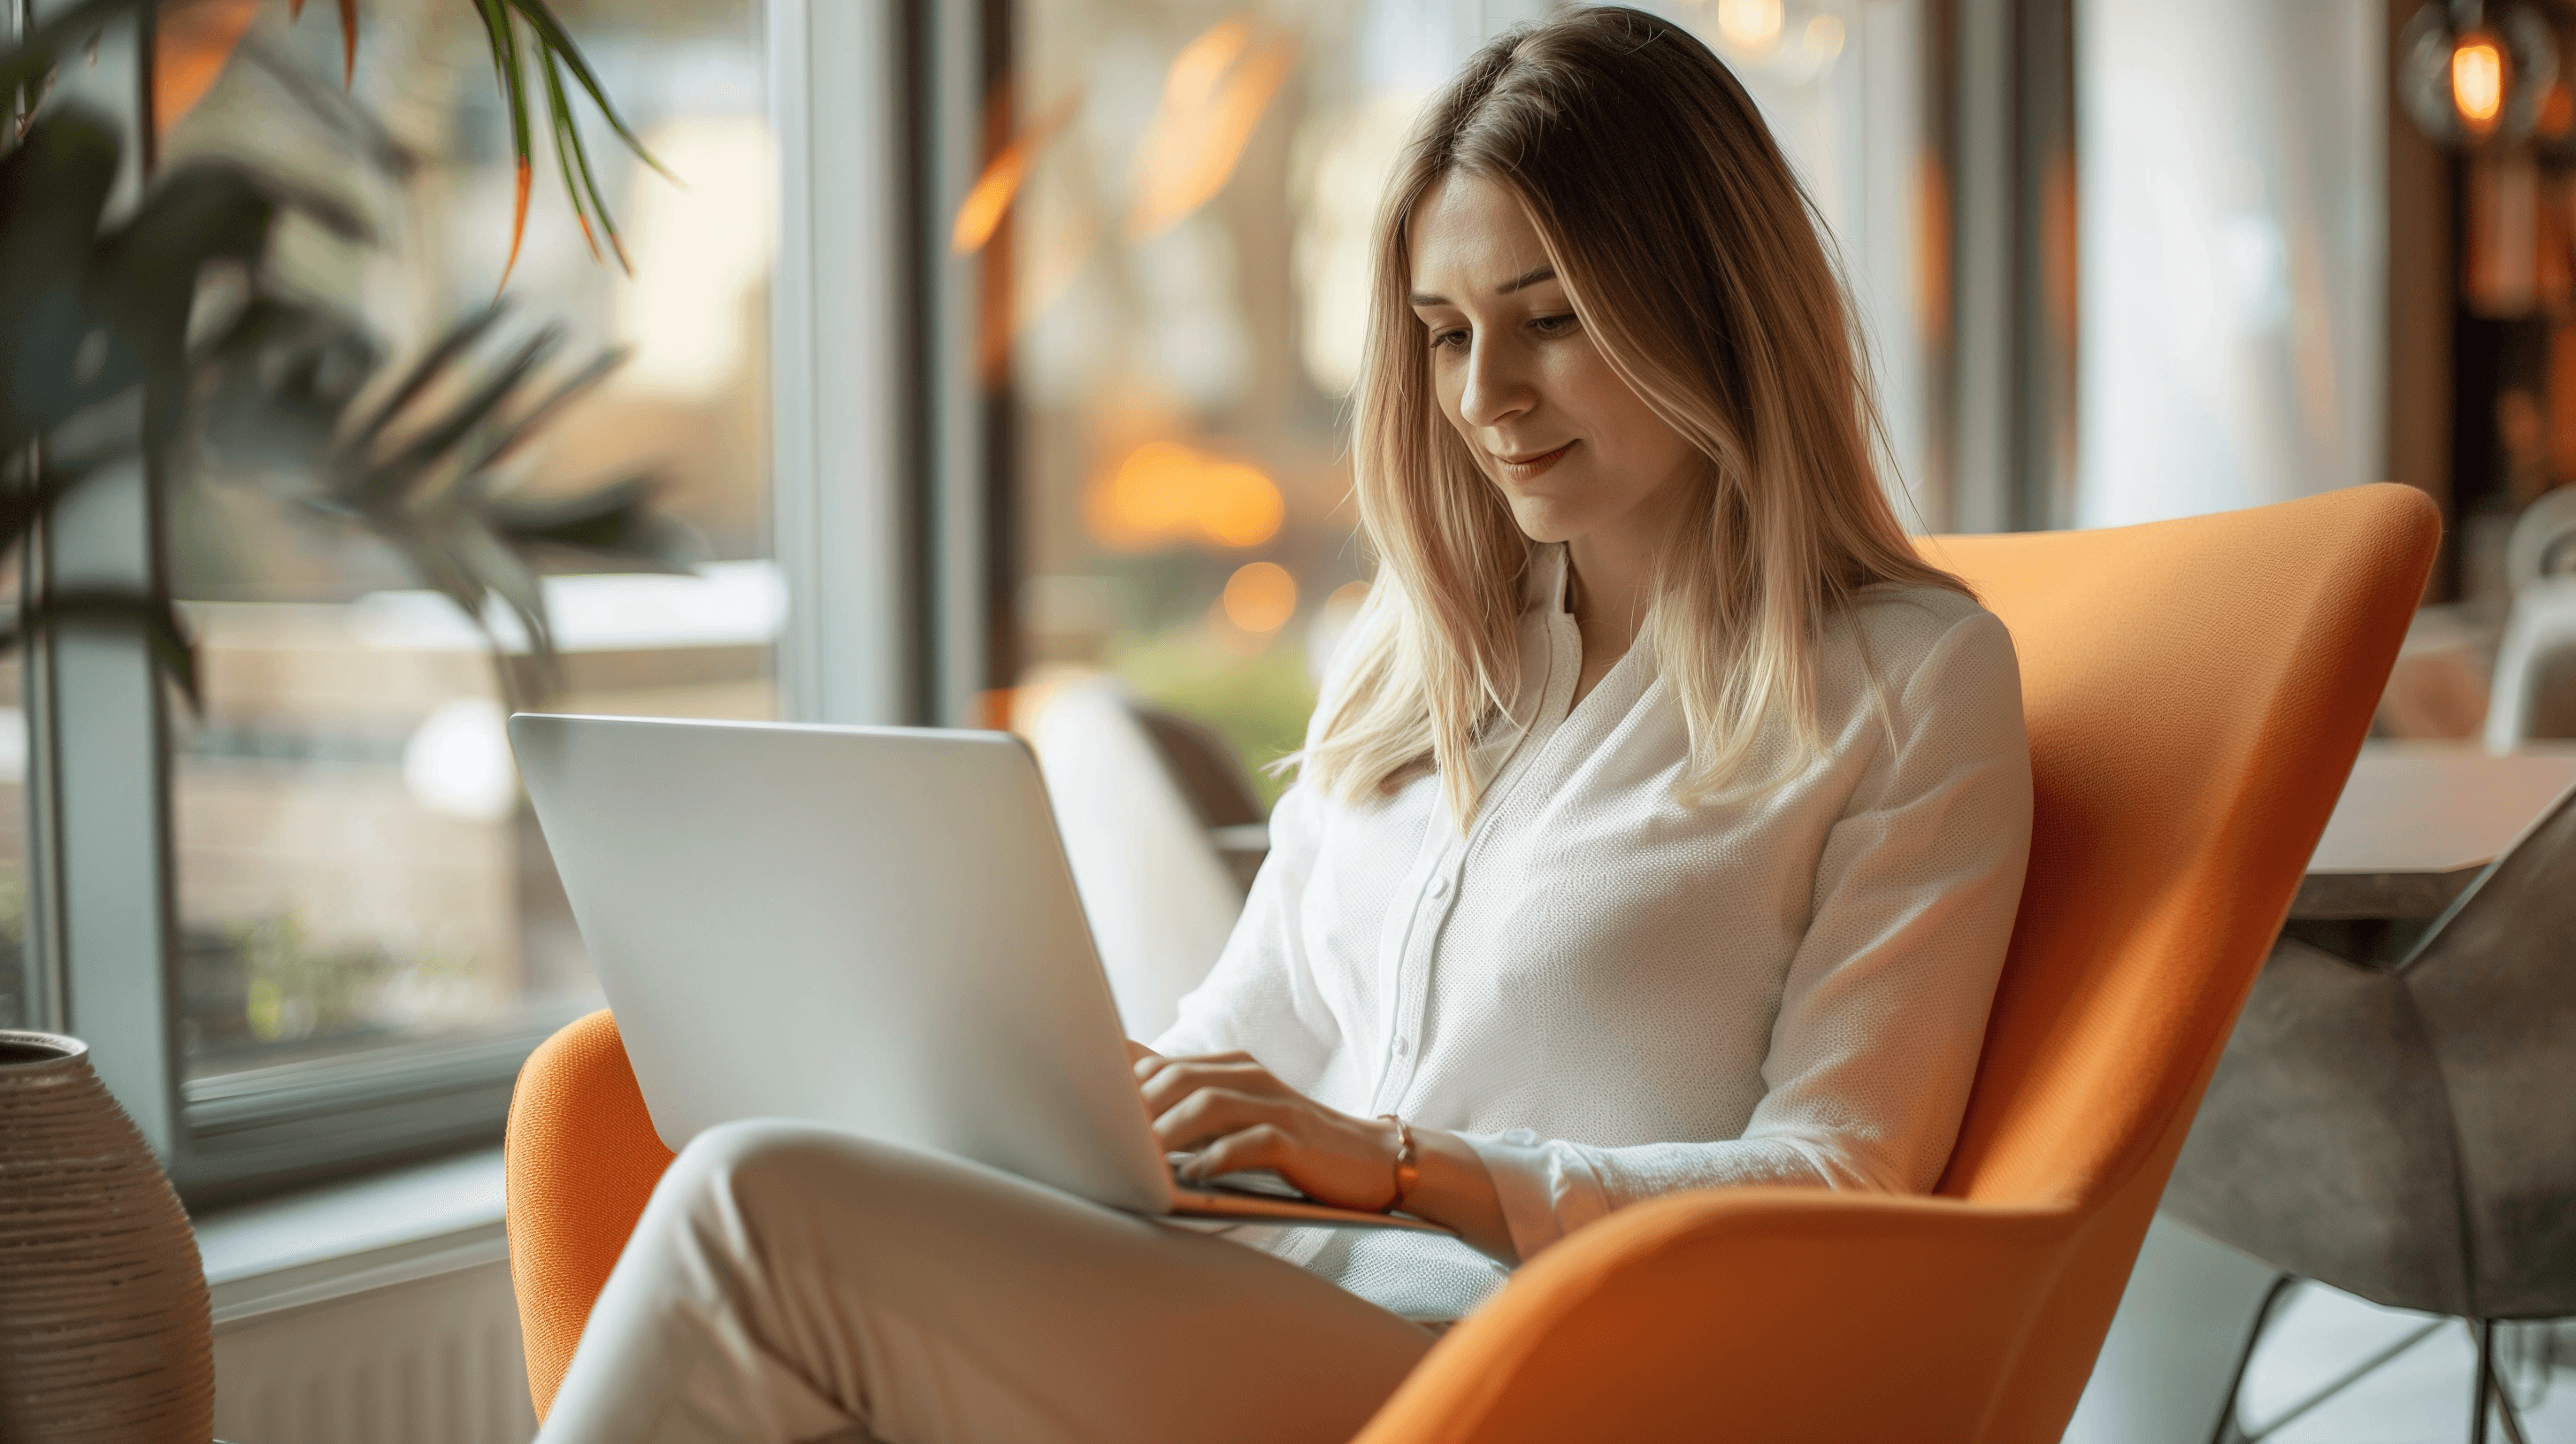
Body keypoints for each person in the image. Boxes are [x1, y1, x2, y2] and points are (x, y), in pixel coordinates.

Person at [534, 8, 2032, 1442]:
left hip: (1515, 1367)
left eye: (1550, 320)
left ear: (1708, 303)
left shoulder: (1910, 683)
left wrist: (1405, 1171)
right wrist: (1048, 1102)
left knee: (755, 1216)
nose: (1487, 395)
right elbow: (1240, 1045)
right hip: (1259, 1308)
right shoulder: (1419, 648)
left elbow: (1844, 1182)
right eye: (1445, 335)